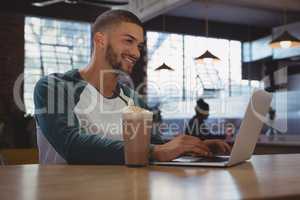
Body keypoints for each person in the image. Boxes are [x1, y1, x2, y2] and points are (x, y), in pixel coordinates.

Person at [34, 9, 231, 165]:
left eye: (139, 46)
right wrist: (156, 151)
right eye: (128, 41)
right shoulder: (54, 87)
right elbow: (71, 145)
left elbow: (154, 144)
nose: (136, 53)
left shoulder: (132, 99)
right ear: (100, 40)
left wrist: (193, 147)